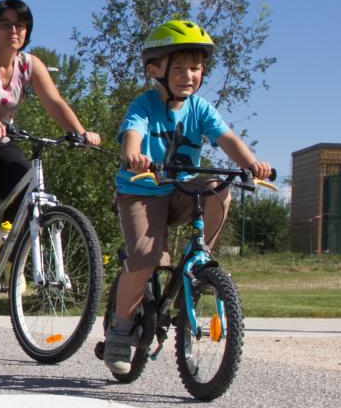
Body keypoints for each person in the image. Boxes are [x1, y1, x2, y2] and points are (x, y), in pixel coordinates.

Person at [101, 19, 274, 374]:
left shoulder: (201, 108)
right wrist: (133, 155)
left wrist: (252, 164)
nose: (189, 75)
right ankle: (119, 331)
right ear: (155, 70)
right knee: (146, 257)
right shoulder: (143, 105)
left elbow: (228, 140)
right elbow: (132, 135)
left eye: (195, 68)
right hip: (141, 190)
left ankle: (199, 262)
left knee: (218, 188)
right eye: (178, 68)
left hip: (180, 190)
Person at [0, 0, 102, 305]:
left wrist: (80, 132)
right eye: (6, 24)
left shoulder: (29, 65)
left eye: (21, 25)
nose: (14, 30)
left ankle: (9, 256)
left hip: (0, 144)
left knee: (29, 191)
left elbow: (54, 102)